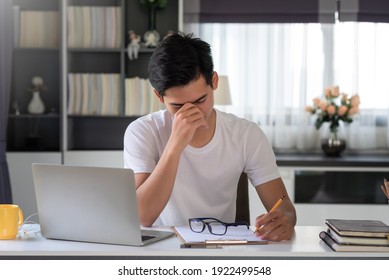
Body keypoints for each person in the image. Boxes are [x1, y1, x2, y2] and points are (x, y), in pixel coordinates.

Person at [123, 32, 296, 241]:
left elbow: (284, 206)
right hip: (161, 247)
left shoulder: (246, 134)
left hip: (221, 246)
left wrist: (284, 219)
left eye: (200, 100)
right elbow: (143, 216)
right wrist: (175, 145)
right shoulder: (142, 131)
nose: (191, 113)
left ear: (213, 81)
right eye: (177, 106)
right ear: (159, 96)